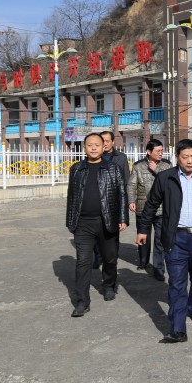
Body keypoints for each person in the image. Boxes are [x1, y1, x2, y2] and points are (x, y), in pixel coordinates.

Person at [136, 139, 192, 343]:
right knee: (177, 282)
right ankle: (178, 329)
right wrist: (143, 230)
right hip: (175, 238)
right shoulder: (166, 178)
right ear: (177, 157)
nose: (190, 160)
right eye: (185, 157)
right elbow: (151, 204)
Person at [66, 133, 129, 317]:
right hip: (83, 223)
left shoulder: (113, 168)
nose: (93, 148)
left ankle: (108, 285)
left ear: (104, 147)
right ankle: (82, 302)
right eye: (89, 145)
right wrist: (70, 221)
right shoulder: (76, 169)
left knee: (110, 258)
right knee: (83, 262)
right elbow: (71, 196)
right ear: (84, 148)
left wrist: (123, 218)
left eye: (97, 145)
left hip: (107, 221)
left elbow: (122, 194)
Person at [128, 139, 172, 280]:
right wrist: (131, 200)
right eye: (158, 151)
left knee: (160, 241)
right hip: (143, 208)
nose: (160, 153)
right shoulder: (138, 166)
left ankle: (158, 269)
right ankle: (143, 261)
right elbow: (131, 185)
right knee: (143, 237)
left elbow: (170, 183)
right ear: (148, 151)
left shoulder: (167, 165)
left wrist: (156, 170)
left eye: (162, 151)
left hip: (162, 209)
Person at [91, 131, 130, 270]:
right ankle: (98, 257)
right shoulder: (95, 156)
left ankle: (112, 257)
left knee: (113, 232)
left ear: (113, 142)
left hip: (114, 202)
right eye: (103, 141)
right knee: (96, 232)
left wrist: (126, 203)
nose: (105, 143)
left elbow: (126, 180)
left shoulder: (121, 158)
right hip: (97, 201)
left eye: (107, 141)